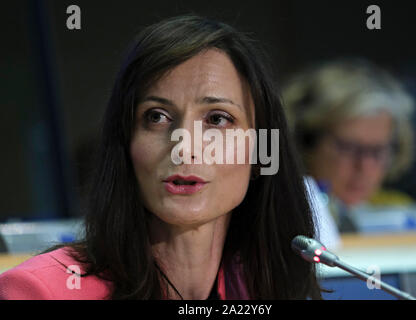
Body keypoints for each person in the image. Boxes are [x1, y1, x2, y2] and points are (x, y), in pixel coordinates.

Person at [0, 15, 323, 300]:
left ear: (260, 153)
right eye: (156, 117)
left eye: (217, 119)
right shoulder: (38, 293)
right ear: (126, 145)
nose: (184, 147)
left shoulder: (270, 288)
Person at [282, 58, 416, 232]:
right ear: (306, 141)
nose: (364, 166)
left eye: (377, 151)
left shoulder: (401, 211)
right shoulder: (278, 215)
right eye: (349, 148)